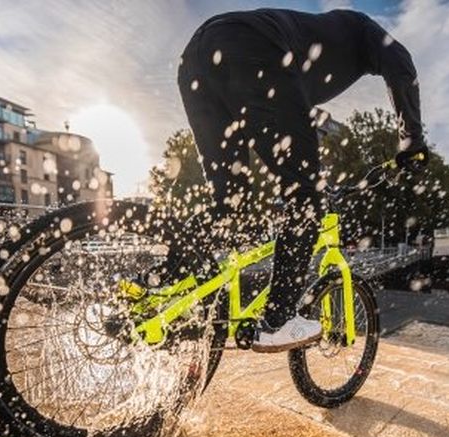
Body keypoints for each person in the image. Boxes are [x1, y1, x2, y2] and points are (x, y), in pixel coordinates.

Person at [177, 8, 427, 352]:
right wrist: (411, 139)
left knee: (230, 202)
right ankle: (277, 321)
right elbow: (401, 62)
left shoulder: (318, 44)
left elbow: (274, 112)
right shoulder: (362, 29)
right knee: (306, 196)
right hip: (251, 46)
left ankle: (167, 272)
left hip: (196, 58)